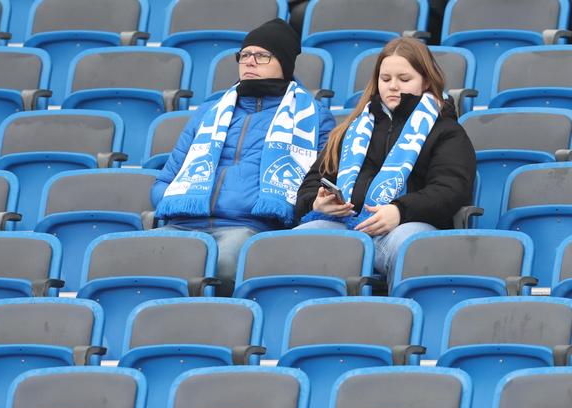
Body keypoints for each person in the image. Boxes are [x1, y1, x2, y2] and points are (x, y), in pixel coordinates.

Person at [151, 18, 336, 295]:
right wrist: (177, 201)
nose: (250, 61)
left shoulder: (313, 117)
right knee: (133, 258)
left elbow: (315, 183)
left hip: (248, 228)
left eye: (262, 56)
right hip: (182, 223)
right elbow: (165, 180)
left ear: (284, 63)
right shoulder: (209, 112)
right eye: (245, 55)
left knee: (225, 264)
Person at [295, 37, 476, 285]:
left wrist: (400, 210)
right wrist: (317, 203)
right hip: (346, 227)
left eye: (404, 79)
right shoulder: (352, 128)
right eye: (385, 79)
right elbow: (312, 182)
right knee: (294, 241)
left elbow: (451, 190)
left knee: (410, 244)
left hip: (404, 228)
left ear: (425, 81)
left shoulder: (446, 131)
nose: (393, 86)